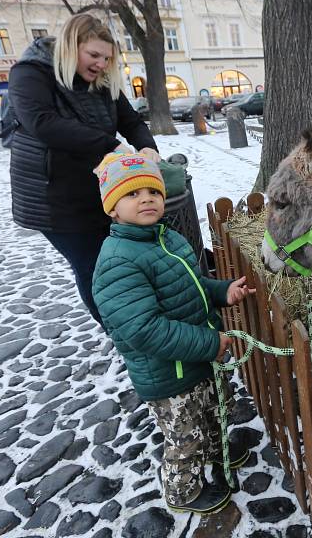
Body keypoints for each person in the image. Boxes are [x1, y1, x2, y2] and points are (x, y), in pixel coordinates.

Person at [91, 151, 254, 514]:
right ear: (112, 209)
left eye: (154, 192)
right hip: (170, 375)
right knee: (184, 438)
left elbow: (193, 286)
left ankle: (217, 451)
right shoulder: (119, 260)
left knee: (213, 411)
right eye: (132, 194)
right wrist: (210, 342)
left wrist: (222, 291)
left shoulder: (170, 240)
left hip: (197, 360)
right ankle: (184, 493)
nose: (146, 199)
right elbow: (143, 330)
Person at [8, 14, 160, 326]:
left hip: (97, 190)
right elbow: (42, 122)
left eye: (107, 58)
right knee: (93, 267)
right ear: (69, 46)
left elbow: (129, 119)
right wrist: (110, 146)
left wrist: (147, 146)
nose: (101, 64)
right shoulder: (30, 73)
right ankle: (121, 333)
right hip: (53, 197)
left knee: (122, 262)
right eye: (93, 55)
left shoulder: (102, 83)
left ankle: (141, 323)